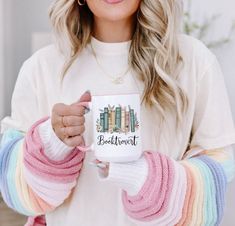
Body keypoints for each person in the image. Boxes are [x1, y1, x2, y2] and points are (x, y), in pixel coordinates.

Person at [0, 0, 235, 225]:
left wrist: (146, 178)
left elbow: (218, 178)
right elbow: (18, 194)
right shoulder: (41, 67)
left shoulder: (193, 60)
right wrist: (51, 145)